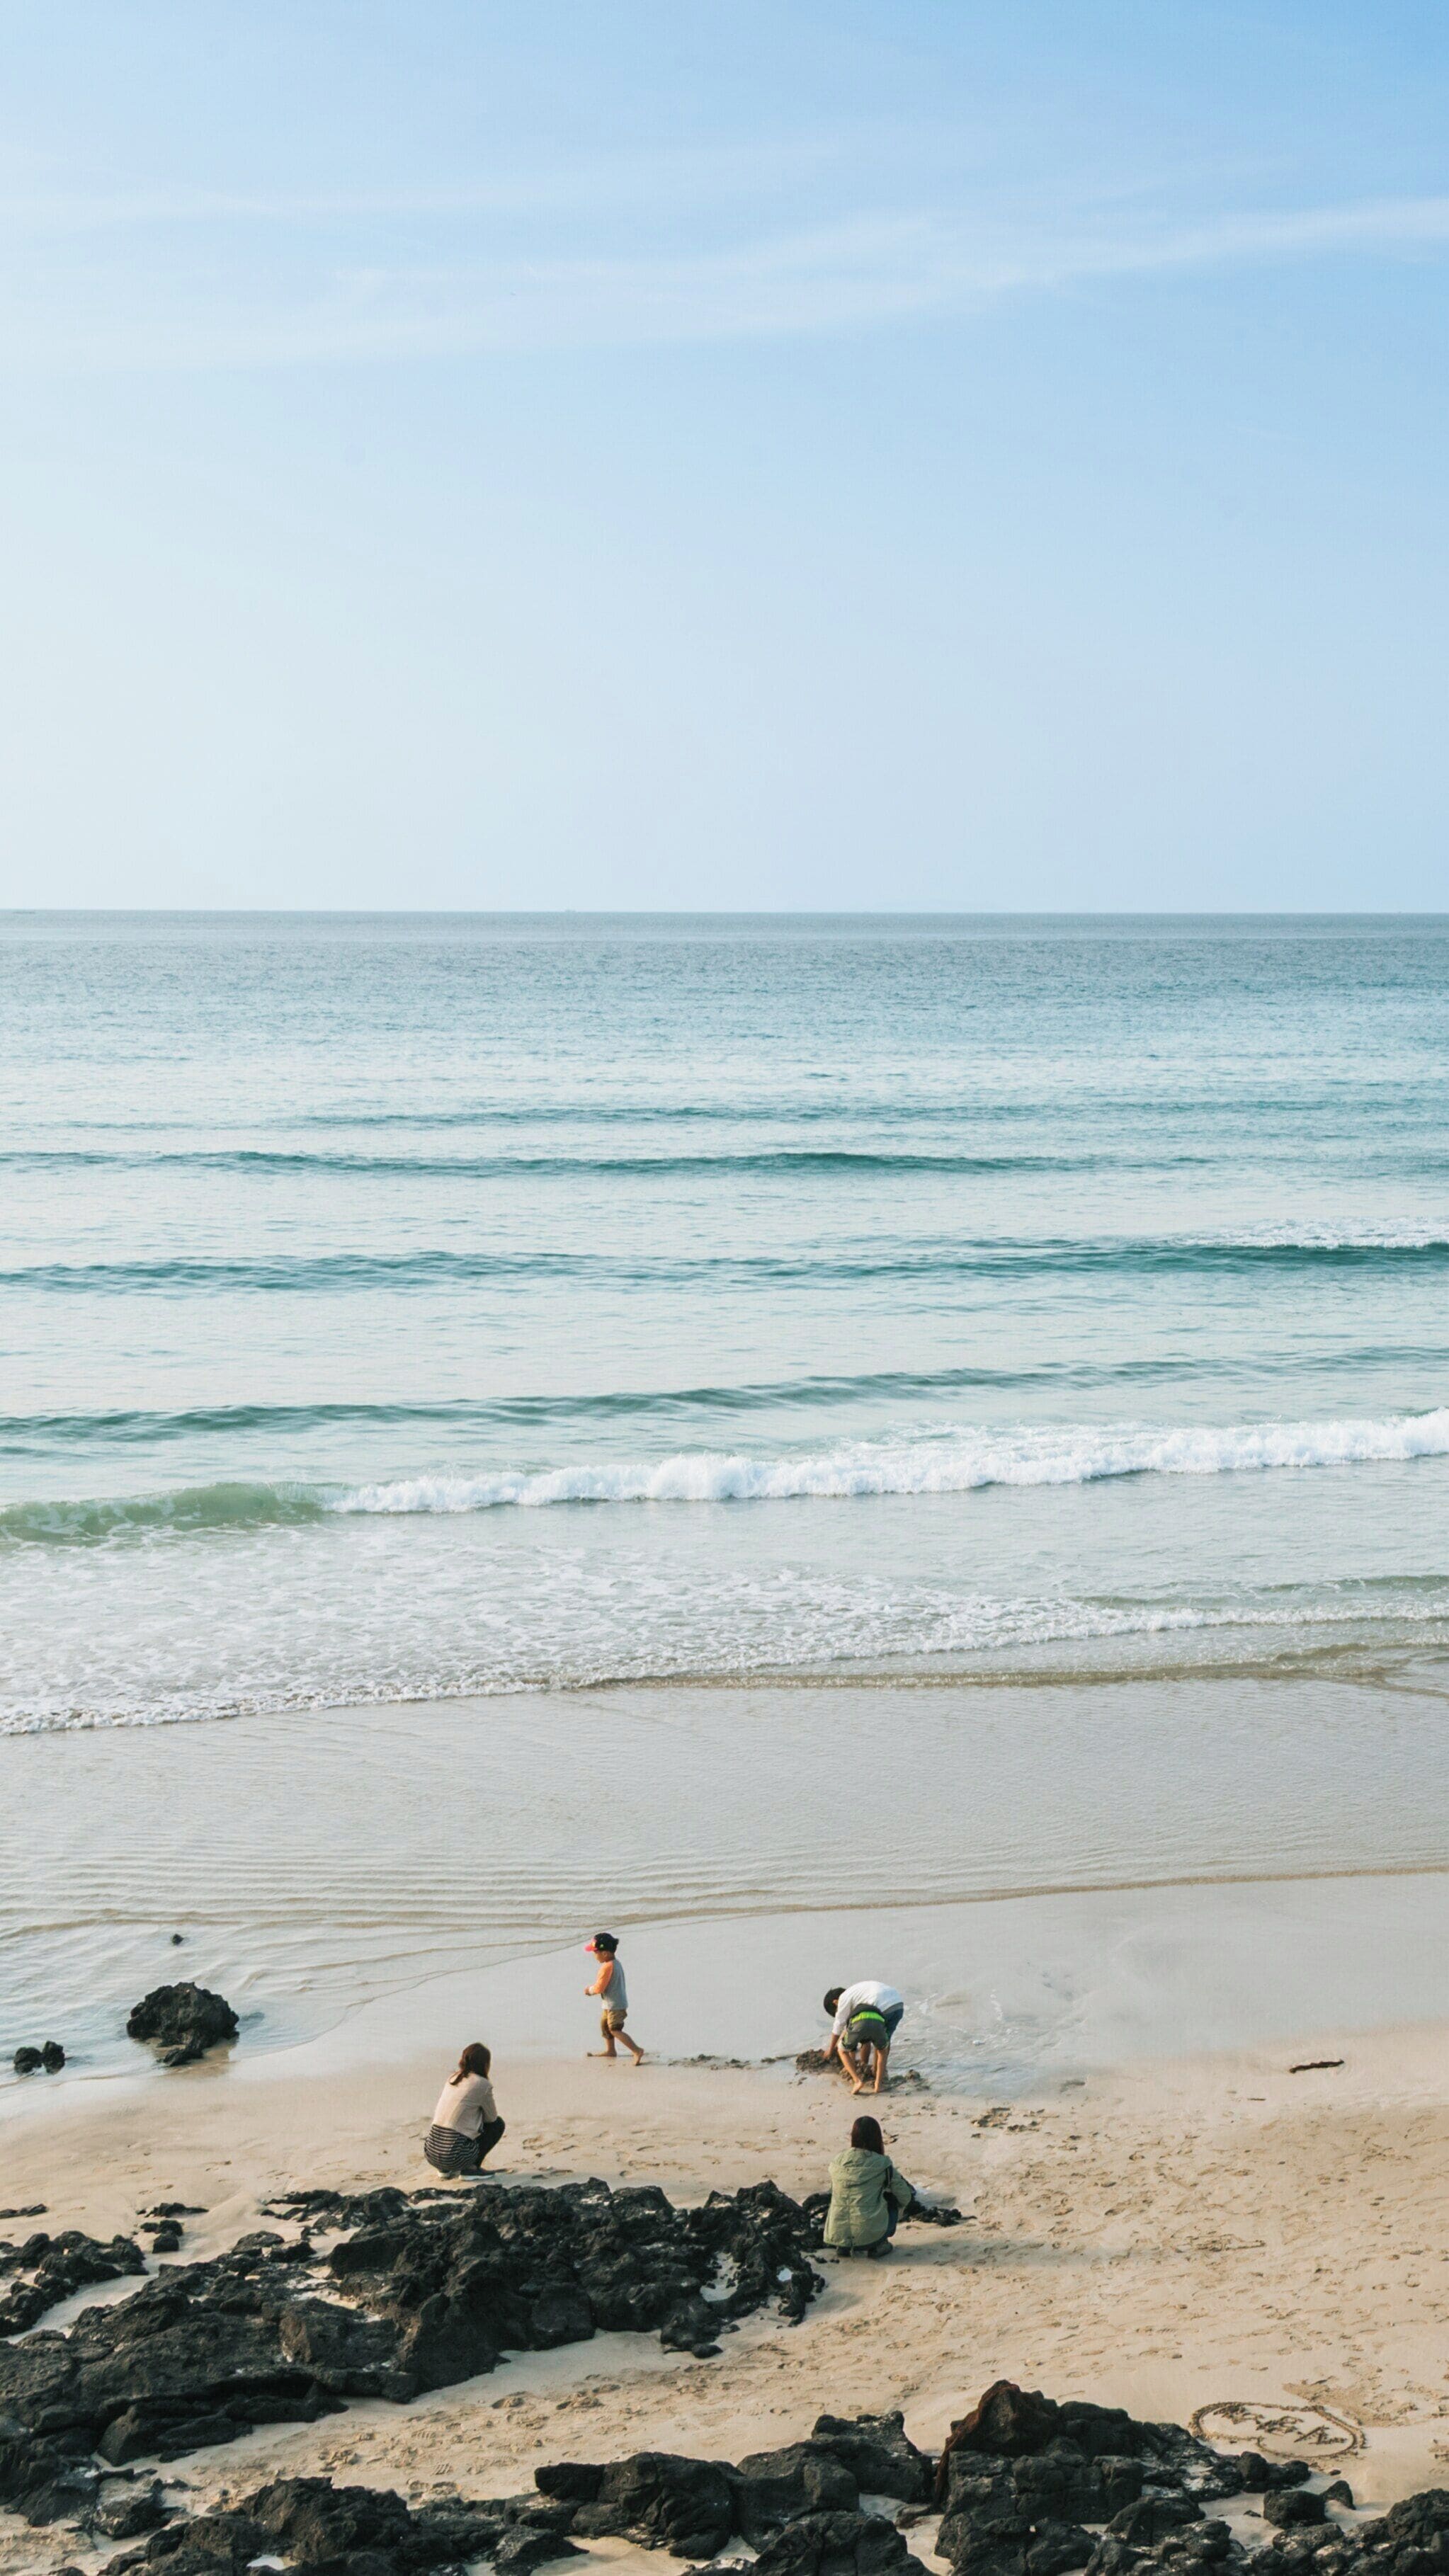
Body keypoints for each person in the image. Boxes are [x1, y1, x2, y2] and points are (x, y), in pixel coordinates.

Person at [823, 2113, 915, 2257]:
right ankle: (879, 2244)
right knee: (892, 2201)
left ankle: (844, 2246)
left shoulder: (837, 2161)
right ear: (877, 2138)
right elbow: (905, 2197)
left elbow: (832, 2192)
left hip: (836, 2234)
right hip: (869, 2234)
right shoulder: (883, 2164)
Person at [424, 2041, 506, 2177]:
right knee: (498, 2125)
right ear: (485, 2063)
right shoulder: (482, 2084)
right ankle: (471, 2169)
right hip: (454, 2156)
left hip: (431, 2153)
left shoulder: (453, 2077)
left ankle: (444, 2170)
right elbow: (491, 2119)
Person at [822, 1981, 904, 2093]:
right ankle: (877, 2074)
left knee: (869, 2033)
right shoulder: (858, 1994)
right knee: (884, 2042)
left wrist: (830, 2050)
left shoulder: (844, 1998)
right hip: (897, 2004)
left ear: (836, 2002)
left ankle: (865, 2073)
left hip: (881, 2005)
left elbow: (839, 2024)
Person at [585, 1931, 644, 2064]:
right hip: (610, 2004)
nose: (594, 1956)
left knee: (615, 2029)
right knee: (605, 2027)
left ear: (605, 1953)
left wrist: (589, 1990)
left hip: (615, 2005)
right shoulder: (615, 1963)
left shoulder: (607, 1967)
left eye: (595, 1953)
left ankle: (636, 2050)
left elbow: (600, 1987)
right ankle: (611, 2050)